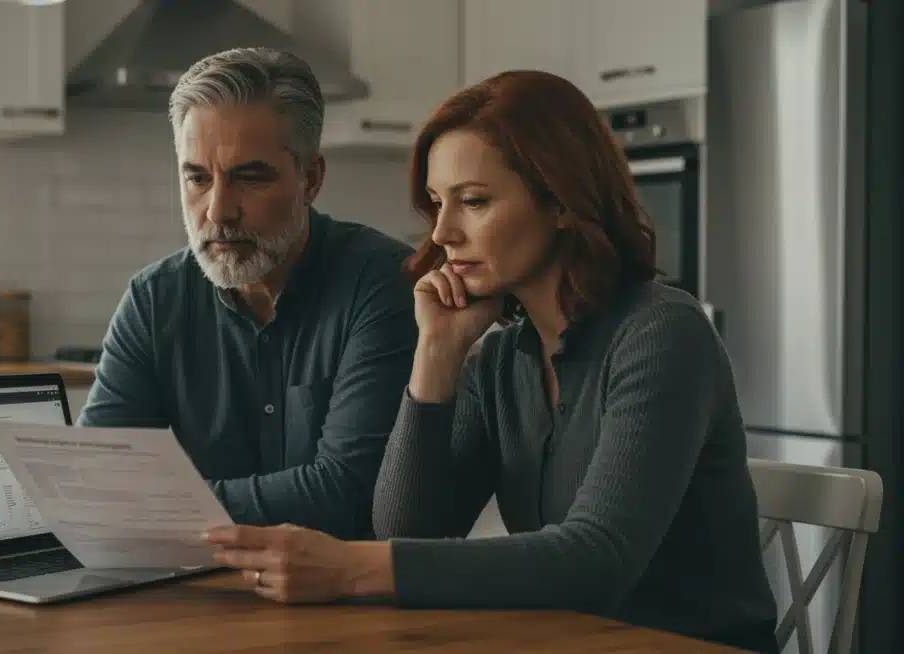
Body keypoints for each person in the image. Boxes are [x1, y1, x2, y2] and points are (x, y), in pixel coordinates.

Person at [202, 70, 779, 653]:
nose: (446, 232)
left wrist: (350, 567)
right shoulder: (505, 358)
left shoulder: (662, 332)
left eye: (473, 201)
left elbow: (596, 561)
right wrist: (437, 355)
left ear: (560, 201)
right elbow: (410, 531)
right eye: (437, 204)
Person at [77, 47, 418, 540]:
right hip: (194, 595)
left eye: (249, 178)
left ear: (311, 180)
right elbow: (101, 485)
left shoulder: (381, 282)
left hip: (346, 604)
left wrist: (162, 507)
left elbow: (348, 491)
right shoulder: (154, 299)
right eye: (197, 178)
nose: (218, 212)